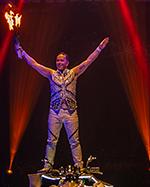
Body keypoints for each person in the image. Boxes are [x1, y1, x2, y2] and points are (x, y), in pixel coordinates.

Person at [15, 37, 109, 170]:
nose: (58, 62)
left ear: (67, 62)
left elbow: (88, 61)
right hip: (55, 111)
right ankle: (47, 166)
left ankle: (79, 167)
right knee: (51, 141)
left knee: (74, 141)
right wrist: (23, 53)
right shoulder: (51, 74)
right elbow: (35, 64)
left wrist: (100, 48)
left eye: (61, 60)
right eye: (57, 60)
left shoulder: (74, 73)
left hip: (70, 111)